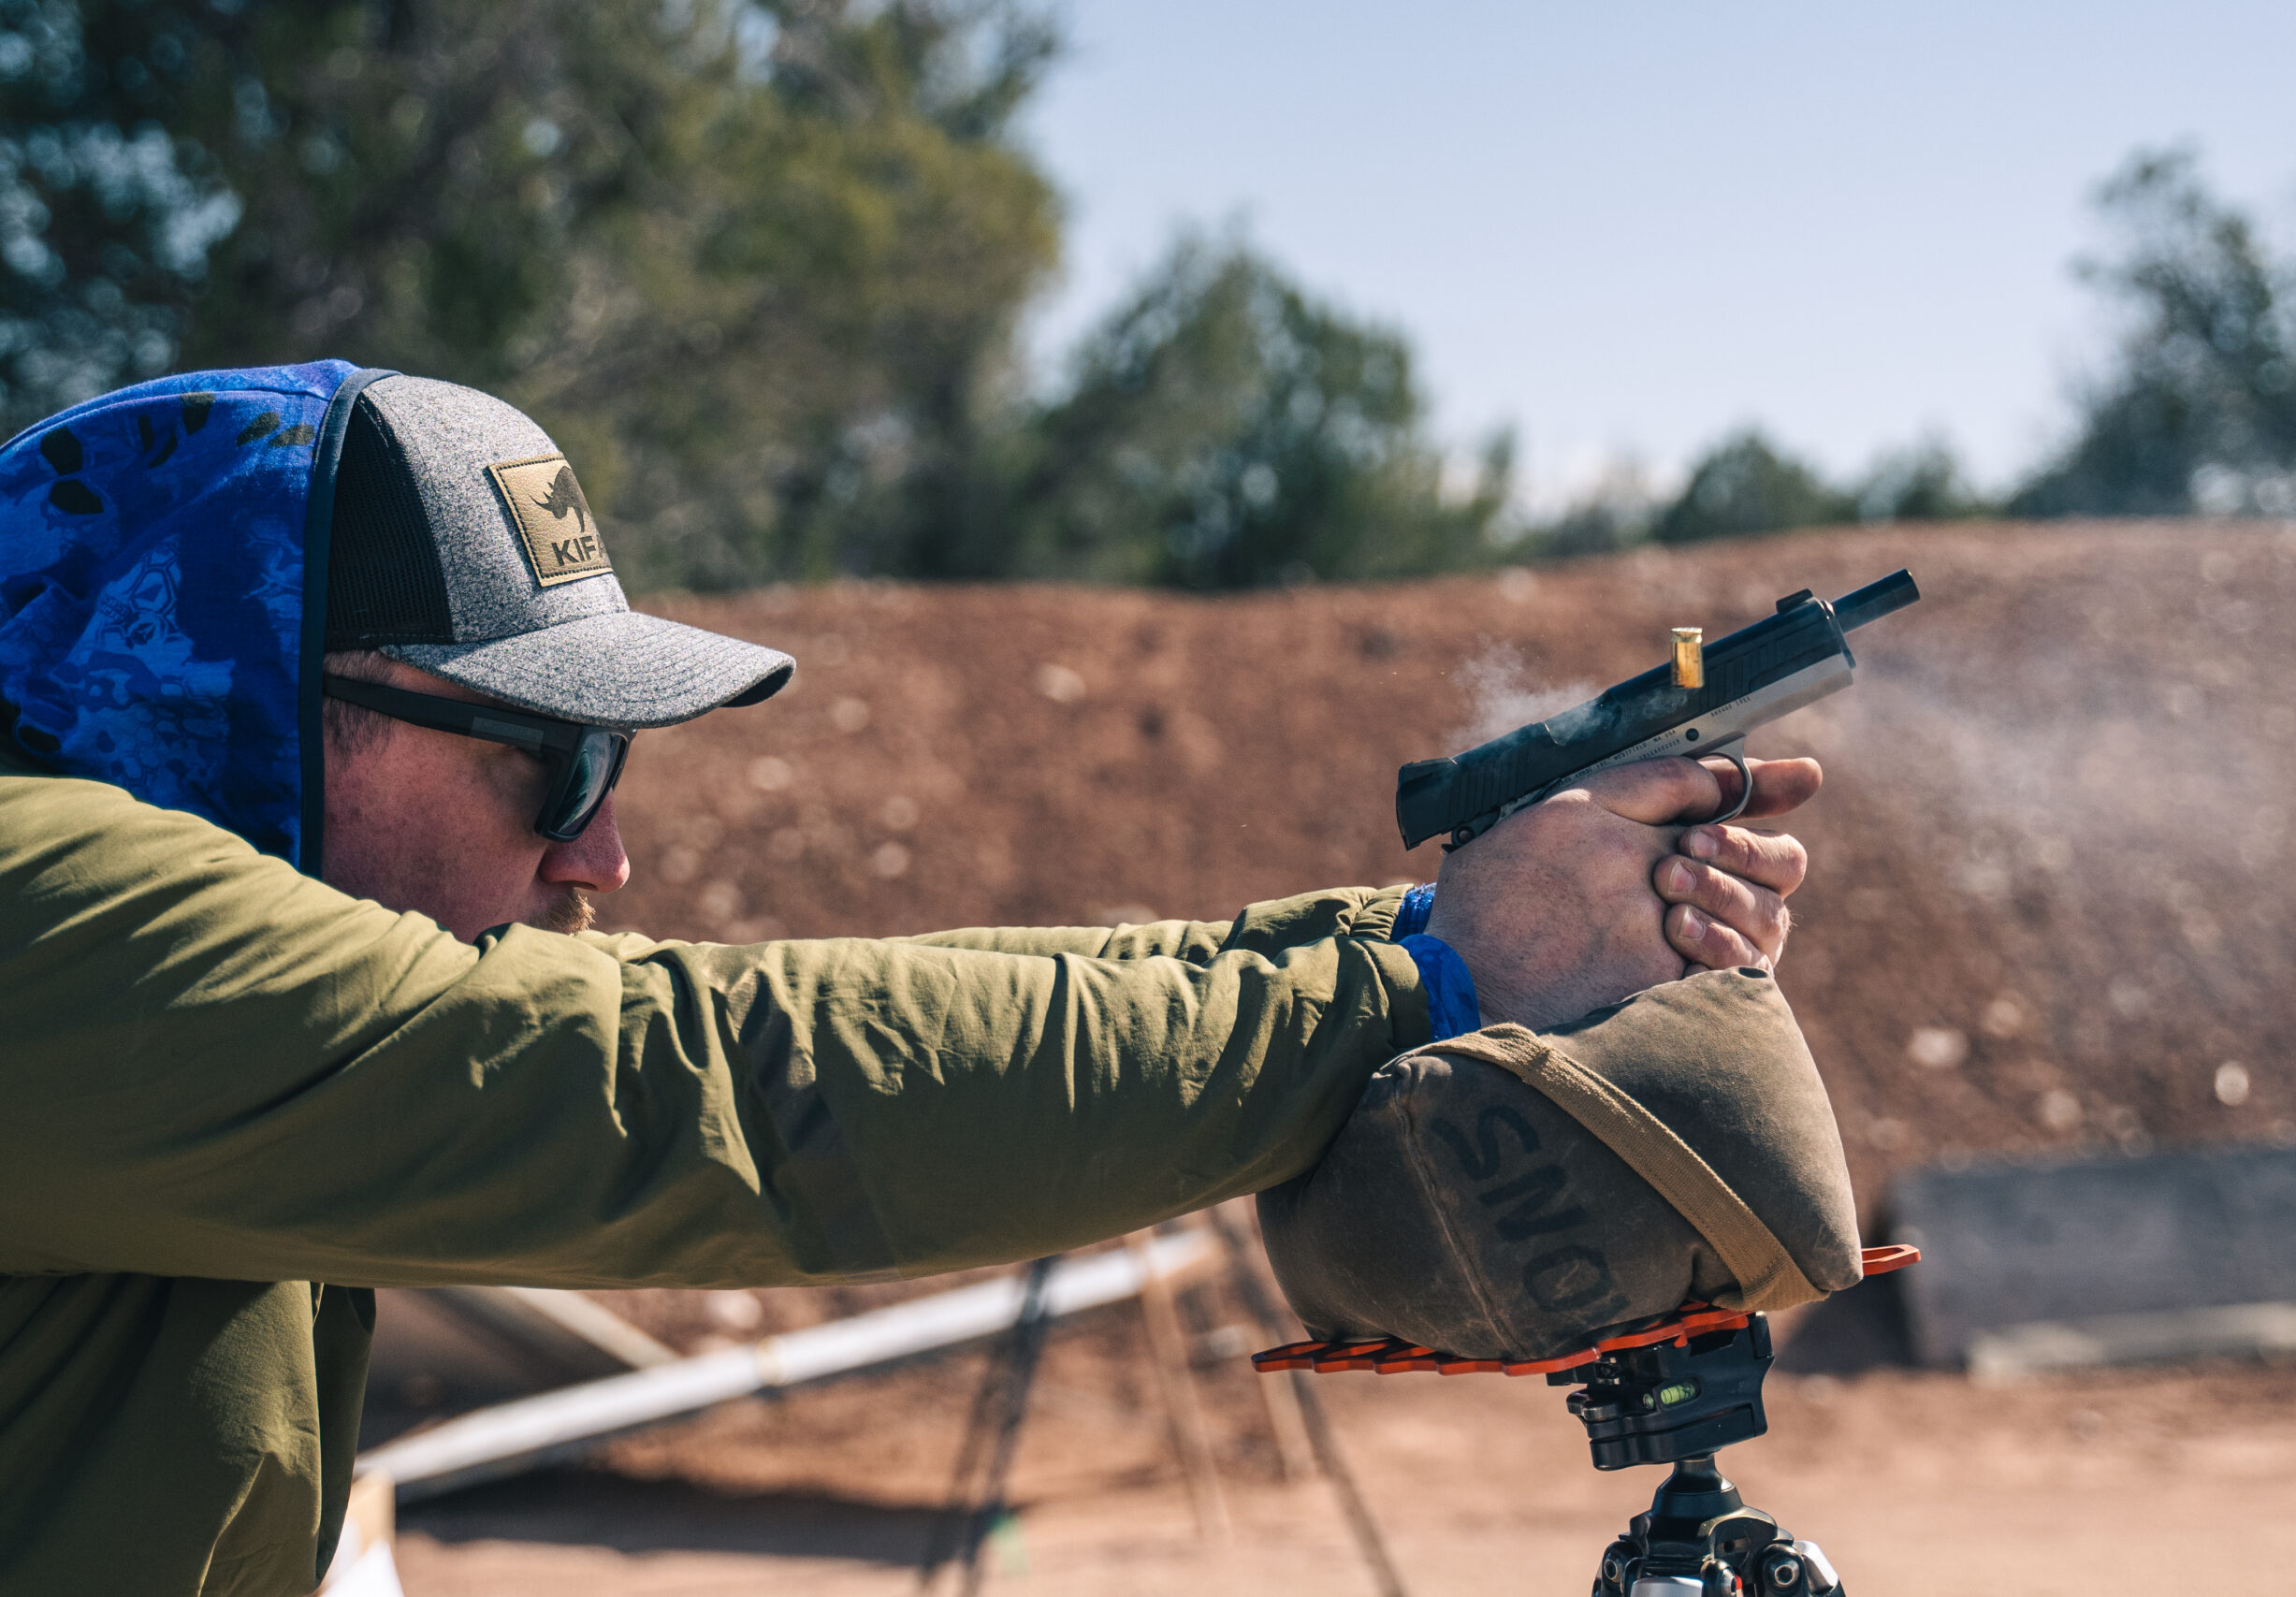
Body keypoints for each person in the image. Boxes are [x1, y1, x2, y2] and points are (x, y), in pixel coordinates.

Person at [0, 362, 1819, 1597]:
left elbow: (802, 1016)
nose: (598, 860)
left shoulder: (169, 1081)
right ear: (217, 701)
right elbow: (679, 1084)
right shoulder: (37, 923)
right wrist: (1414, 979)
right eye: (546, 760)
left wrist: (1418, 945)